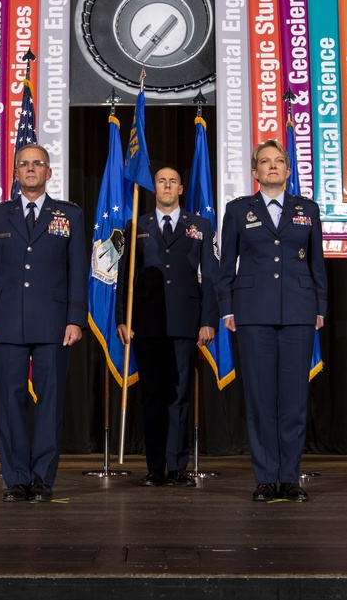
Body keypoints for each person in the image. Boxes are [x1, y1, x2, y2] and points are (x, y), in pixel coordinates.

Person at [0, 144, 88, 502]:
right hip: (6, 321)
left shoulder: (68, 215)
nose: (31, 169)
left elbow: (77, 271)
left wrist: (75, 318)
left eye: (38, 164)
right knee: (11, 403)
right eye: (24, 164)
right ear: (15, 174)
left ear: (49, 172)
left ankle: (42, 479)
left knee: (50, 403)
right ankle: (16, 479)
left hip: (55, 323)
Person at [217, 140, 327, 502]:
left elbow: (316, 264)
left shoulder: (307, 209)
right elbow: (225, 265)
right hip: (252, 312)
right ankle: (265, 478)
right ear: (255, 172)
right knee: (261, 399)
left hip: (298, 310)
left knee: (294, 401)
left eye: (279, 161)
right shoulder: (237, 210)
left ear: (288, 170)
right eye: (265, 162)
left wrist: (320, 306)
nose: (273, 166)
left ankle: (290, 478)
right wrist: (228, 308)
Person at [116, 167, 219, 488]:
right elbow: (125, 278)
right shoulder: (137, 226)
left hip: (186, 322)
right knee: (152, 397)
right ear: (154, 188)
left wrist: (208, 320)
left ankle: (177, 467)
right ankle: (154, 467)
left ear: (181, 188)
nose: (167, 185)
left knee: (179, 396)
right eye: (161, 181)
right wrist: (123, 318)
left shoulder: (200, 226)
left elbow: (212, 277)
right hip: (147, 324)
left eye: (172, 181)